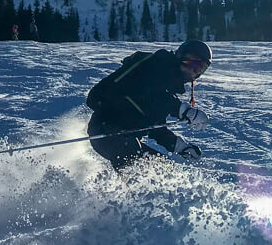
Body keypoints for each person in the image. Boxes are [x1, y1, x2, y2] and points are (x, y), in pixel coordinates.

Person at [85, 39, 211, 169]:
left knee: (165, 170)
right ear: (180, 55)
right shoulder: (154, 65)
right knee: (139, 168)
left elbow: (154, 125)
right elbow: (148, 89)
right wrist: (182, 110)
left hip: (125, 137)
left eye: (199, 68)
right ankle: (122, 188)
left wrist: (180, 146)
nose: (193, 70)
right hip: (106, 131)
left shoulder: (167, 89)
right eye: (191, 61)